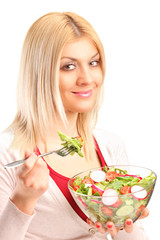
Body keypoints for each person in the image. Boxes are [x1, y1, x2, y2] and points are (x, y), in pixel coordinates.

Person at [0, 12, 149, 240]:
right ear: (40, 74)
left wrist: (124, 218)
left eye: (93, 62)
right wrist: (23, 200)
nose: (87, 78)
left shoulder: (109, 145)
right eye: (68, 67)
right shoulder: (7, 155)